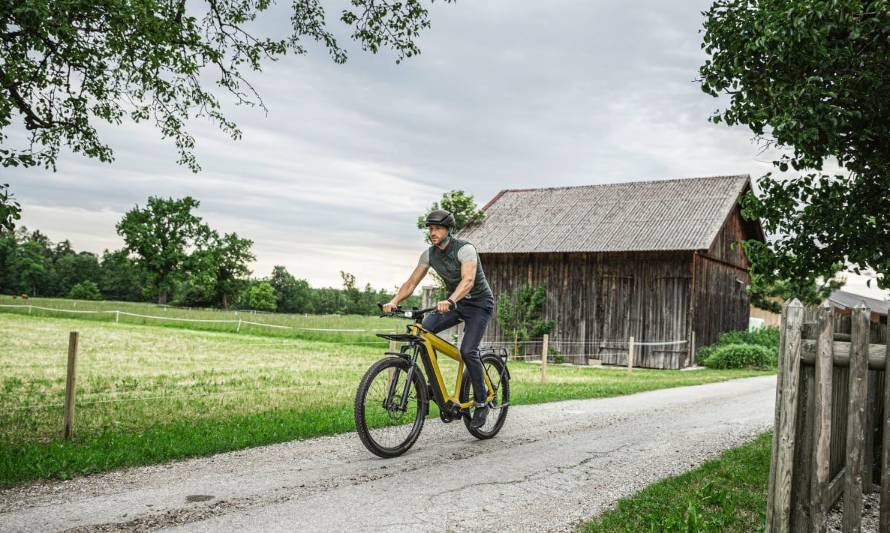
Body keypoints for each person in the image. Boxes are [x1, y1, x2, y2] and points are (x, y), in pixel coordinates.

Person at [383, 209, 495, 428]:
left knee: (467, 351)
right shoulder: (429, 255)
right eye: (431, 229)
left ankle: (481, 402)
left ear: (449, 230)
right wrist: (395, 300)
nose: (433, 233)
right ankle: (434, 384)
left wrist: (451, 300)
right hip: (456, 302)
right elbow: (411, 283)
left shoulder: (464, 249)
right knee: (422, 331)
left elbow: (468, 280)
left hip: (479, 304)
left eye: (437, 228)